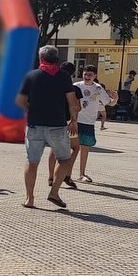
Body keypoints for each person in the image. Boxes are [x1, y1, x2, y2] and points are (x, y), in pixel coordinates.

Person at [15, 46, 78, 209]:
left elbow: (20, 100)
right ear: (56, 58)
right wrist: (73, 121)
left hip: (34, 126)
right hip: (57, 126)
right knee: (64, 160)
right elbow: (72, 102)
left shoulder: (31, 76)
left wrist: (30, 111)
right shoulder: (64, 77)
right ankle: (54, 192)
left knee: (32, 162)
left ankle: (29, 199)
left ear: (40, 58)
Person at [72, 65, 114, 183]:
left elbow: (109, 103)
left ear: (95, 76)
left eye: (90, 75)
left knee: (85, 148)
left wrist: (115, 98)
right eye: (85, 74)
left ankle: (82, 174)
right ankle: (65, 174)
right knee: (72, 148)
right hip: (75, 121)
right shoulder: (76, 86)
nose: (87, 77)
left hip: (89, 122)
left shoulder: (98, 88)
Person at [47, 62, 84, 189]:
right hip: (68, 122)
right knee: (75, 148)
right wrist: (74, 122)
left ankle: (51, 177)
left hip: (53, 121)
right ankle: (67, 175)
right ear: (73, 74)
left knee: (54, 150)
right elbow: (77, 108)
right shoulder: (75, 89)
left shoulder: (52, 86)